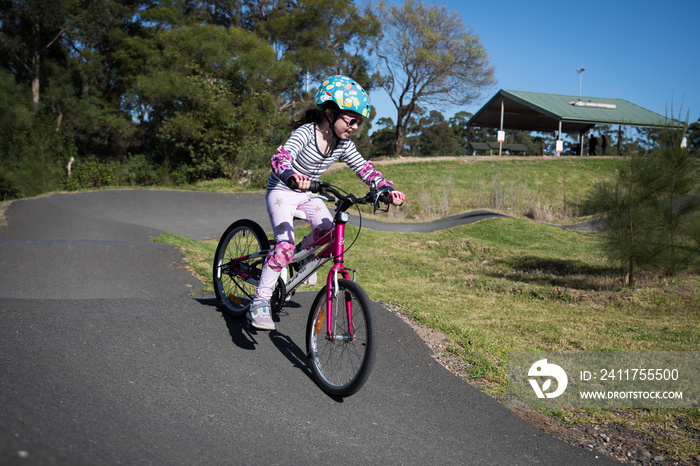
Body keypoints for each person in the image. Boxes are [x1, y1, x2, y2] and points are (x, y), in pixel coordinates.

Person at [247, 75, 406, 330]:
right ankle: (260, 301)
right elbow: (280, 158)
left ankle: (297, 260)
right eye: (350, 120)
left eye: (358, 122)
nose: (354, 126)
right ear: (331, 113)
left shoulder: (342, 144)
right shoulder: (306, 133)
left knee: (331, 233)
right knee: (283, 247)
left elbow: (364, 169)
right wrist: (291, 176)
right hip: (282, 190)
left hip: (310, 193)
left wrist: (385, 190)